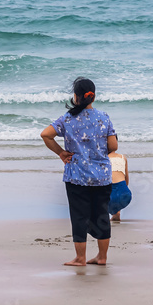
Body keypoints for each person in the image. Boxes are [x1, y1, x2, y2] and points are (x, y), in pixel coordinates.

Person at [40, 77, 118, 266]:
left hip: (76, 176)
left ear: (76, 97)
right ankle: (102, 257)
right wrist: (97, 153)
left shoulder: (67, 119)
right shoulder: (104, 117)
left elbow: (46, 134)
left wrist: (61, 153)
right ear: (93, 97)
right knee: (101, 217)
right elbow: (113, 145)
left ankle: (80, 258)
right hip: (102, 176)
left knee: (79, 216)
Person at [109, 152, 132, 222]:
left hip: (109, 192)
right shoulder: (123, 157)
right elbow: (126, 178)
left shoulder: (103, 158)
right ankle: (117, 212)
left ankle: (114, 212)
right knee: (118, 192)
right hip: (125, 193)